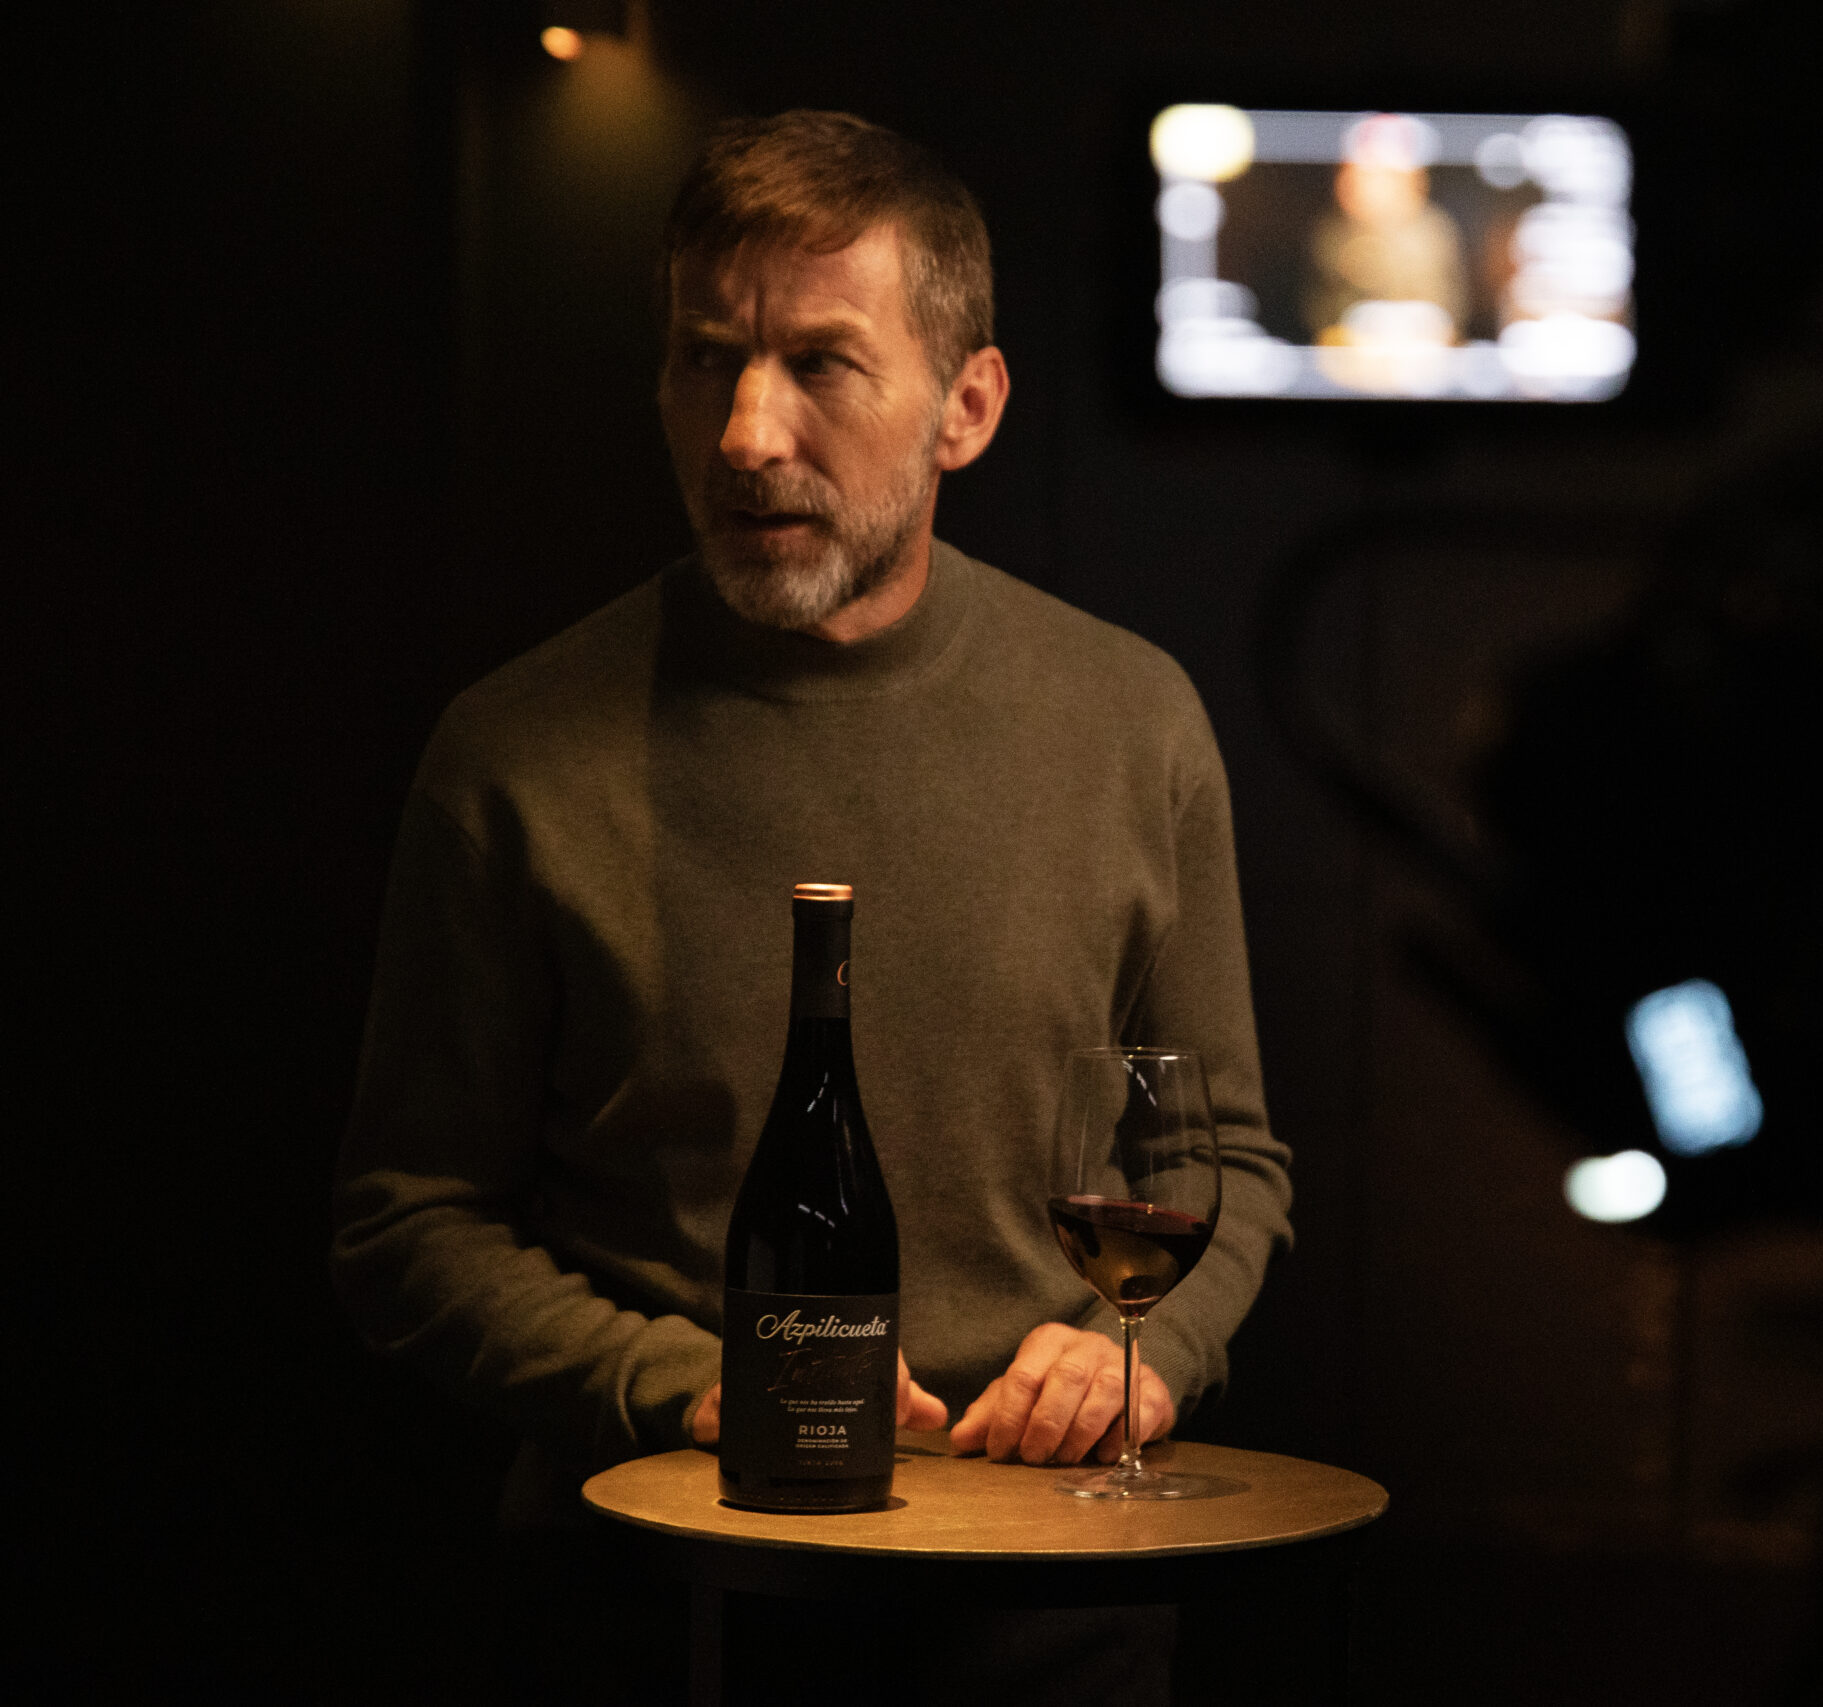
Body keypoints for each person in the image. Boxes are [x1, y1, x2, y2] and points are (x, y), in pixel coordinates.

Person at [331, 110, 1292, 1699]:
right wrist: (679, 1385)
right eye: (706, 361)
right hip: (651, 1594)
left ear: (967, 407)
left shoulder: (1132, 720)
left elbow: (1224, 1160)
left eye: (822, 365)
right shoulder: (513, 751)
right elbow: (407, 1221)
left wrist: (1146, 1359)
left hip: (1043, 1592)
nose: (744, 433)